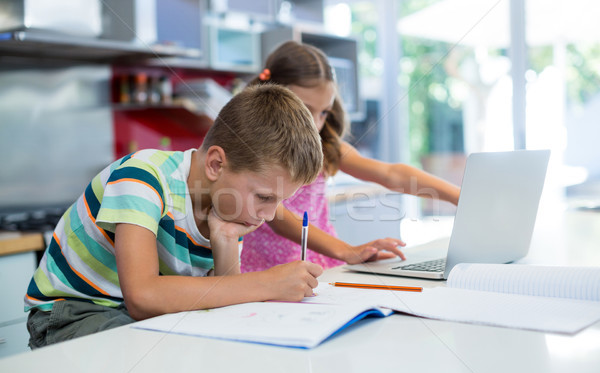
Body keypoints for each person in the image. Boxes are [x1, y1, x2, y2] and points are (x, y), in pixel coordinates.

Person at [24, 84, 324, 348]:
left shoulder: (231, 209)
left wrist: (225, 241)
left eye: (280, 201)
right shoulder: (144, 176)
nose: (269, 215)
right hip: (74, 312)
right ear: (216, 164)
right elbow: (142, 297)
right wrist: (267, 283)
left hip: (138, 316)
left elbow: (225, 304)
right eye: (264, 197)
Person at [241, 41, 461, 273]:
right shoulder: (253, 147)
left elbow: (392, 174)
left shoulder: (325, 147)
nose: (315, 124)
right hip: (268, 271)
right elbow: (279, 218)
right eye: (304, 111)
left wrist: (459, 196)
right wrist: (347, 250)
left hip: (322, 264)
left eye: (323, 112)